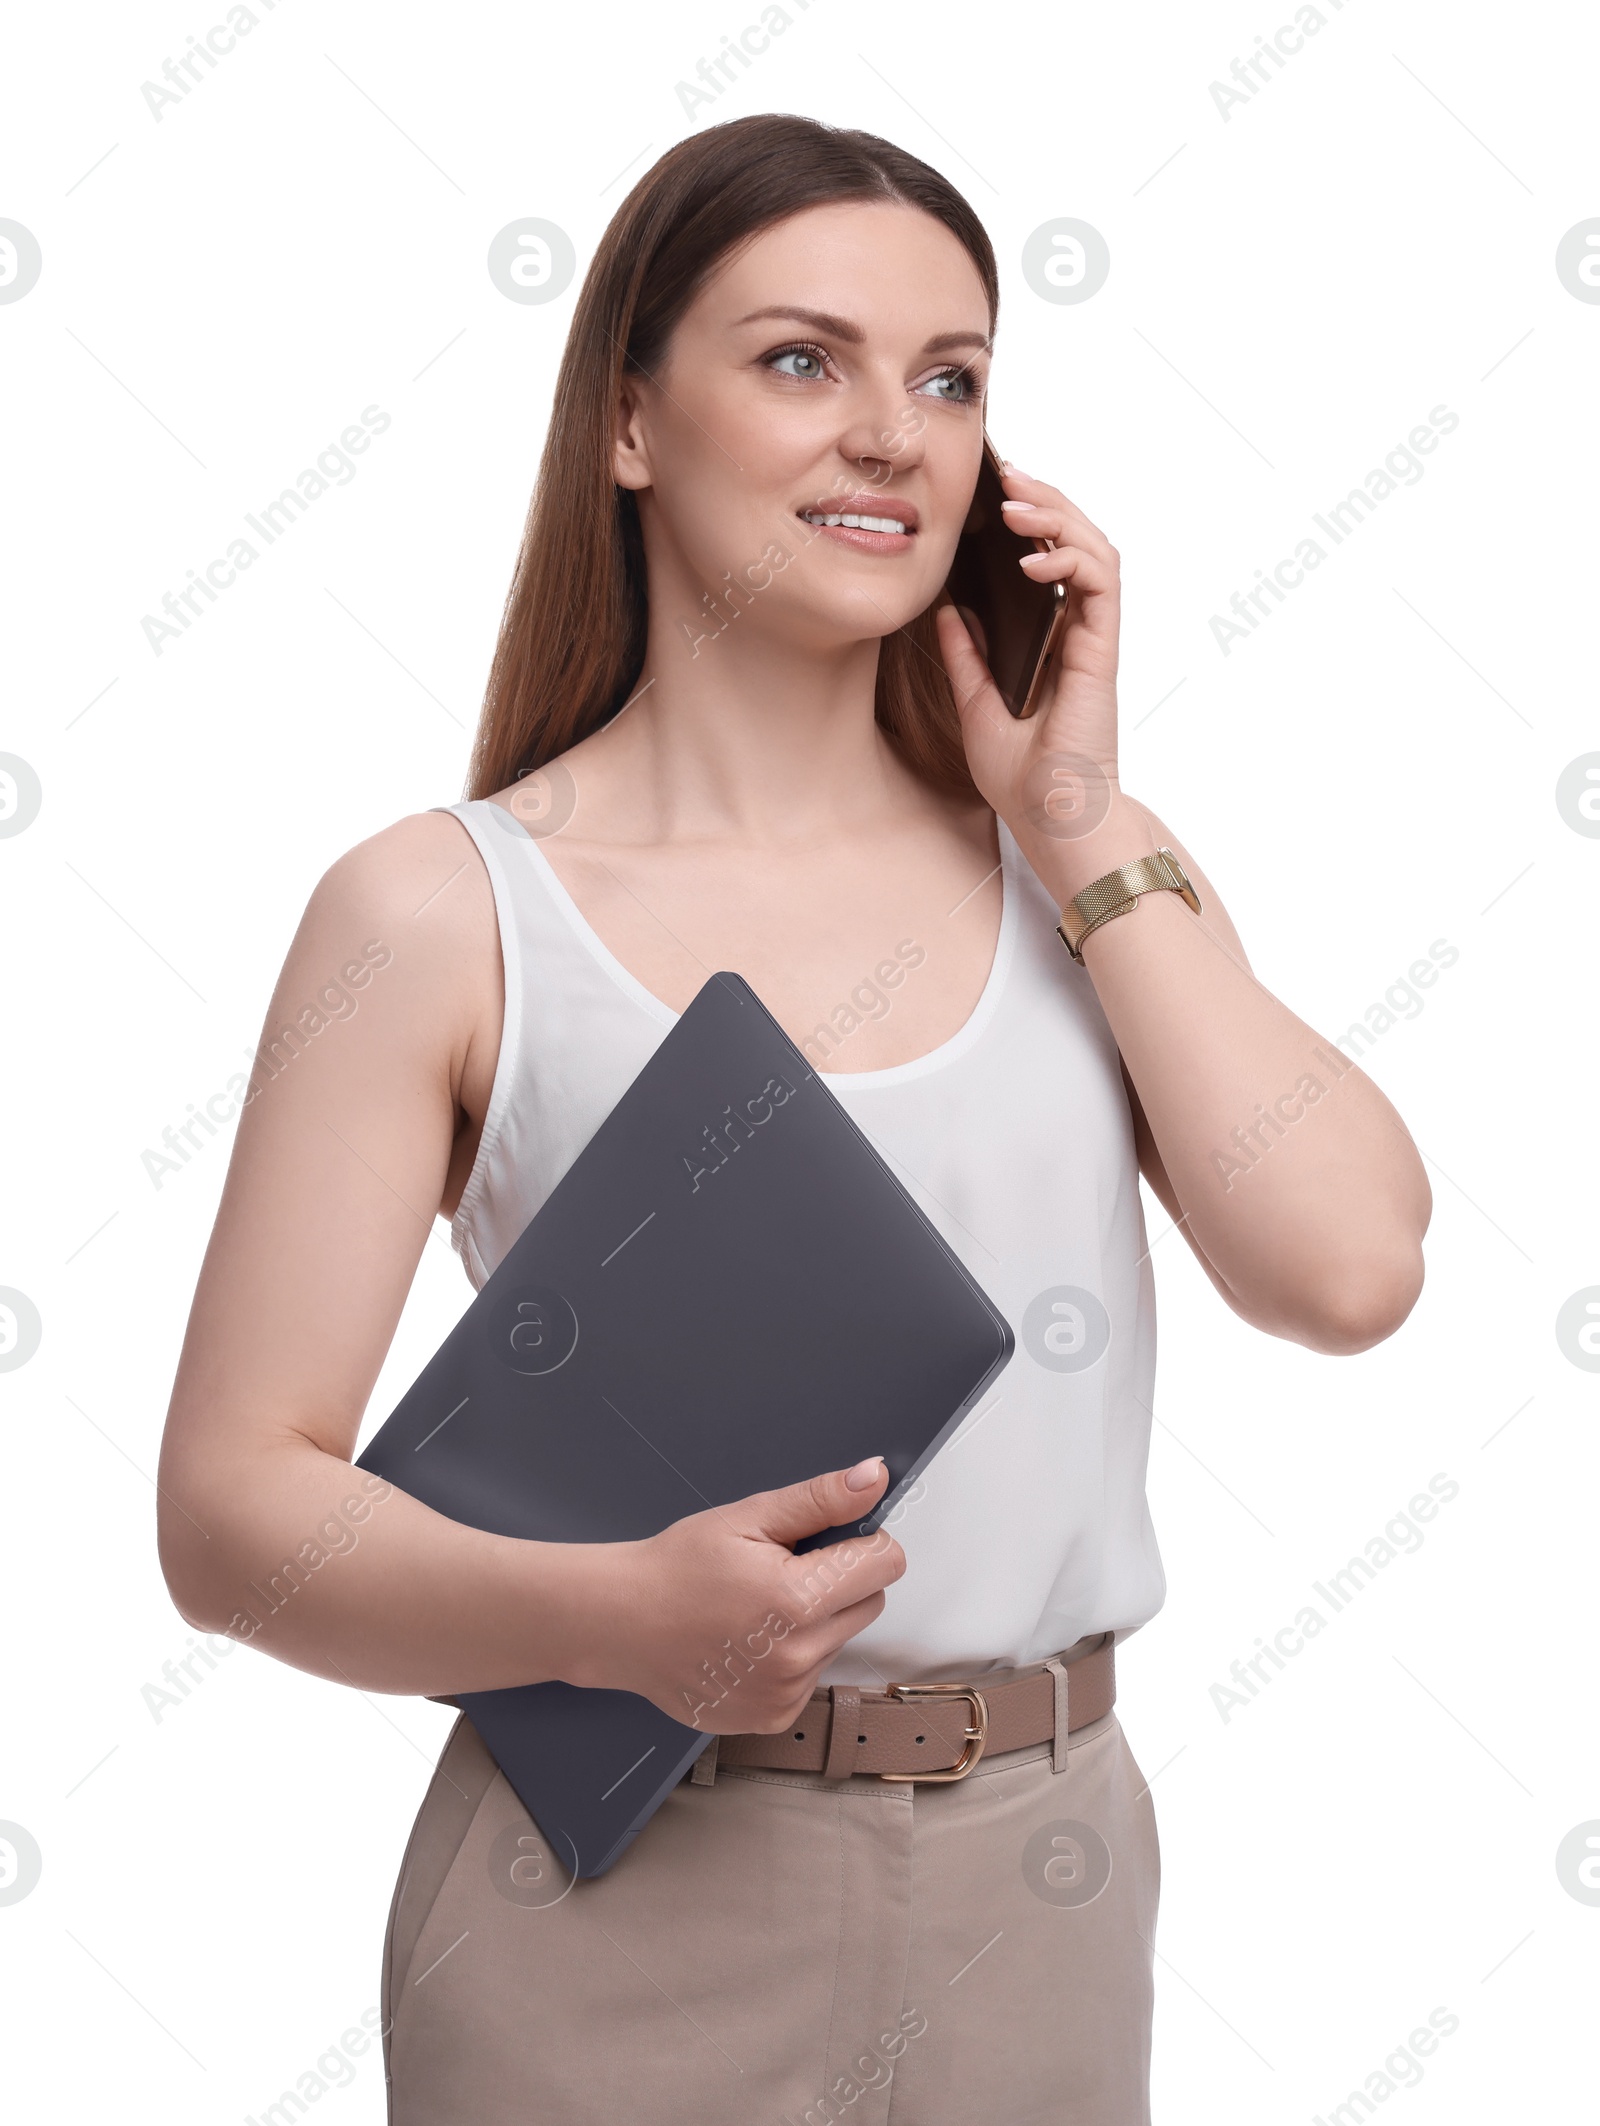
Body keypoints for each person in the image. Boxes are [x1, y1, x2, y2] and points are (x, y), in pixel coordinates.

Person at [156, 113, 1430, 2125]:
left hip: (1043, 1873)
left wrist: (1081, 812)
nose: (892, 433)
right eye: (798, 359)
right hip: (608, 1896)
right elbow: (232, 1511)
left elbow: (1349, 1270)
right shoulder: (438, 911)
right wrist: (618, 1620)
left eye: (949, 378)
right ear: (629, 423)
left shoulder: (1078, 875)